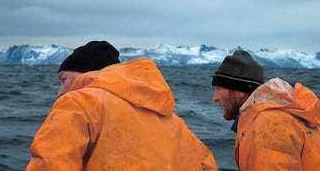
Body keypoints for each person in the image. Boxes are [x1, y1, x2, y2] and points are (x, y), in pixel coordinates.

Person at [27, 40, 217, 170]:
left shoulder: (78, 103)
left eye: (63, 79)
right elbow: (207, 165)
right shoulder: (175, 123)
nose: (60, 91)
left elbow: (50, 164)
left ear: (86, 74)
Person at [212, 50, 320, 171]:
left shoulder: (268, 125)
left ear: (239, 91)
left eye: (219, 89)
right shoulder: (286, 116)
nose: (215, 98)